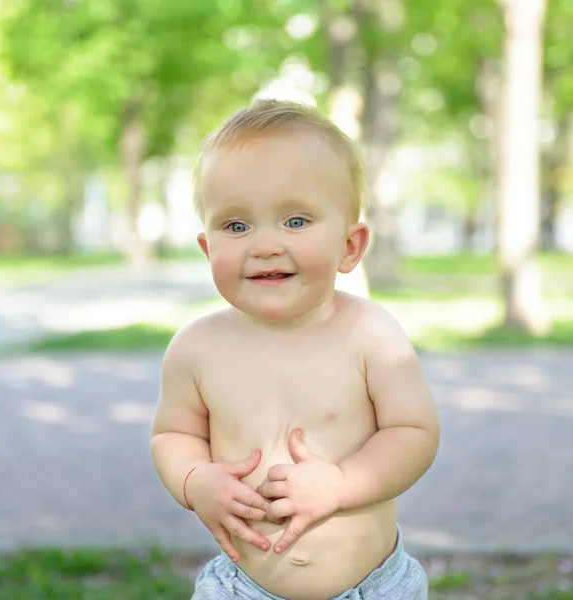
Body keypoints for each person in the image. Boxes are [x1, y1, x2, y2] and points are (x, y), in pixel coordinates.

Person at [150, 99, 440, 600]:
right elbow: (172, 435)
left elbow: (414, 432)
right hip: (242, 587)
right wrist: (195, 479)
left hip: (372, 587)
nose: (264, 244)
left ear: (350, 246)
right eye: (236, 226)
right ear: (207, 249)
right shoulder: (196, 349)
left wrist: (342, 483)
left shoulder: (370, 335)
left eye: (296, 221)